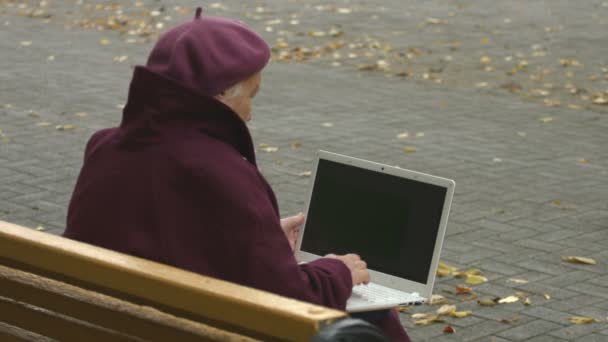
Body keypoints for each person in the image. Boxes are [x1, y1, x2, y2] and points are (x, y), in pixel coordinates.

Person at [63, 8, 410, 341]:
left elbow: (164, 239)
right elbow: (286, 300)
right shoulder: (222, 172)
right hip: (188, 331)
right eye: (250, 96)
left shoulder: (105, 147)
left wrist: (264, 238)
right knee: (373, 313)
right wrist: (337, 273)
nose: (249, 114)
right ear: (218, 97)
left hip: (99, 325)